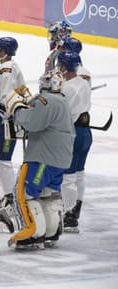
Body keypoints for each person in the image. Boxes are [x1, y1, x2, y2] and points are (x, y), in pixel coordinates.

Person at [3, 70, 74, 250]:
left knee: (25, 194)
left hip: (42, 160)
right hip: (59, 161)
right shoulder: (63, 101)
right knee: (49, 196)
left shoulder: (46, 101)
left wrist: (18, 107)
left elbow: (31, 122)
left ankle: (31, 233)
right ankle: (52, 232)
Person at [0, 37, 24, 215]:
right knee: (1, 160)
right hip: (8, 121)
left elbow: (8, 95)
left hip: (7, 123)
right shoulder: (10, 67)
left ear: (5, 51)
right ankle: (10, 196)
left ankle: (12, 199)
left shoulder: (6, 69)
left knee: (3, 161)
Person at [57, 51, 91, 233]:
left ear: (64, 67)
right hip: (86, 132)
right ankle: (75, 209)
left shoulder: (67, 88)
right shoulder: (84, 83)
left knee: (68, 176)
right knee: (79, 173)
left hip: (73, 133)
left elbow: (62, 114)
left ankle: (68, 215)